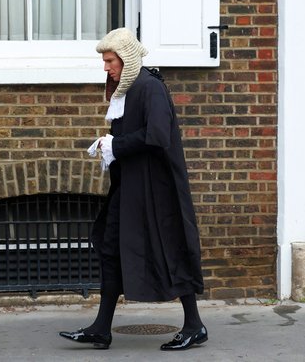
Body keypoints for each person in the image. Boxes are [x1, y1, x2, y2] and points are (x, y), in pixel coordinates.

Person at [59, 28, 207, 350]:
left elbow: (157, 136)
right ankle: (101, 327)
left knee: (171, 250)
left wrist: (116, 144)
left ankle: (194, 325)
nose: (105, 67)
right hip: (129, 188)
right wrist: (108, 147)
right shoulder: (126, 90)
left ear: (126, 59)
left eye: (110, 60)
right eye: (104, 61)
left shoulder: (150, 88)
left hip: (157, 189)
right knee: (110, 248)